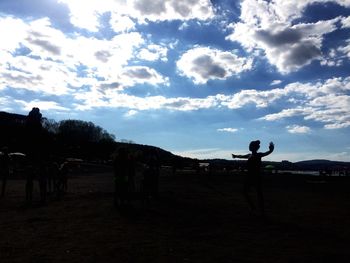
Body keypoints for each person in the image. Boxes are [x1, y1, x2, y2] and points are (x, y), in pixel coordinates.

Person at [232, 140, 274, 217]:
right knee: (248, 192)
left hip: (256, 176)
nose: (249, 147)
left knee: (258, 194)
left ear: (254, 147)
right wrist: (235, 156)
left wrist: (271, 149)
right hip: (250, 176)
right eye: (249, 146)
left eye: (250, 146)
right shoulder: (249, 155)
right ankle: (255, 208)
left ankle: (260, 210)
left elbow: (267, 153)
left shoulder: (258, 155)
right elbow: (242, 156)